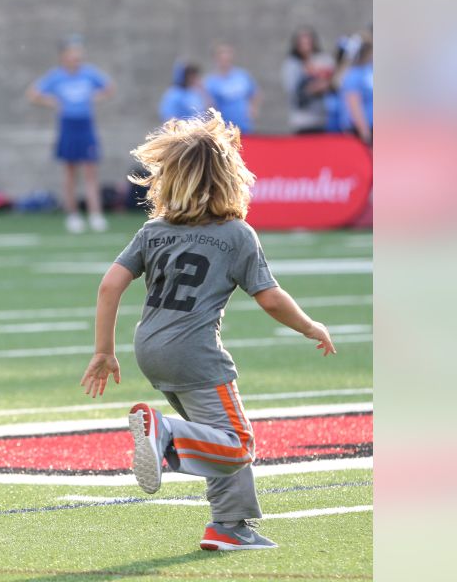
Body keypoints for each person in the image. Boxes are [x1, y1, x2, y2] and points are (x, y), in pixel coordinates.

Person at [79, 110, 337, 552]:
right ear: (230, 178)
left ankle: (228, 525)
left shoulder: (153, 231)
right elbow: (270, 296)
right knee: (237, 443)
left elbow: (109, 286)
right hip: (195, 353)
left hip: (149, 347)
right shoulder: (237, 234)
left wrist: (104, 350)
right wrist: (310, 325)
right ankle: (166, 435)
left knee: (214, 432)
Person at [26, 36, 114, 233]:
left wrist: (94, 98)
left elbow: (109, 88)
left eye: (78, 53)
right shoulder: (57, 76)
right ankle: (73, 215)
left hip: (86, 125)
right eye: (72, 53)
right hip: (67, 126)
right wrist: (55, 102)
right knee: (70, 172)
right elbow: (33, 93)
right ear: (63, 56)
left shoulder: (89, 74)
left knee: (91, 171)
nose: (76, 57)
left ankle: (95, 214)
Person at [204, 43, 261, 134]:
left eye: (227, 59)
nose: (225, 62)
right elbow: (209, 104)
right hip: (224, 128)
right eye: (222, 59)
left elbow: (255, 93)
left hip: (244, 126)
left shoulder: (242, 76)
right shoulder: (211, 81)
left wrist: (253, 109)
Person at [339, 30, 373, 143]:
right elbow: (354, 103)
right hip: (362, 129)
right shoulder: (354, 74)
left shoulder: (370, 71)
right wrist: (364, 131)